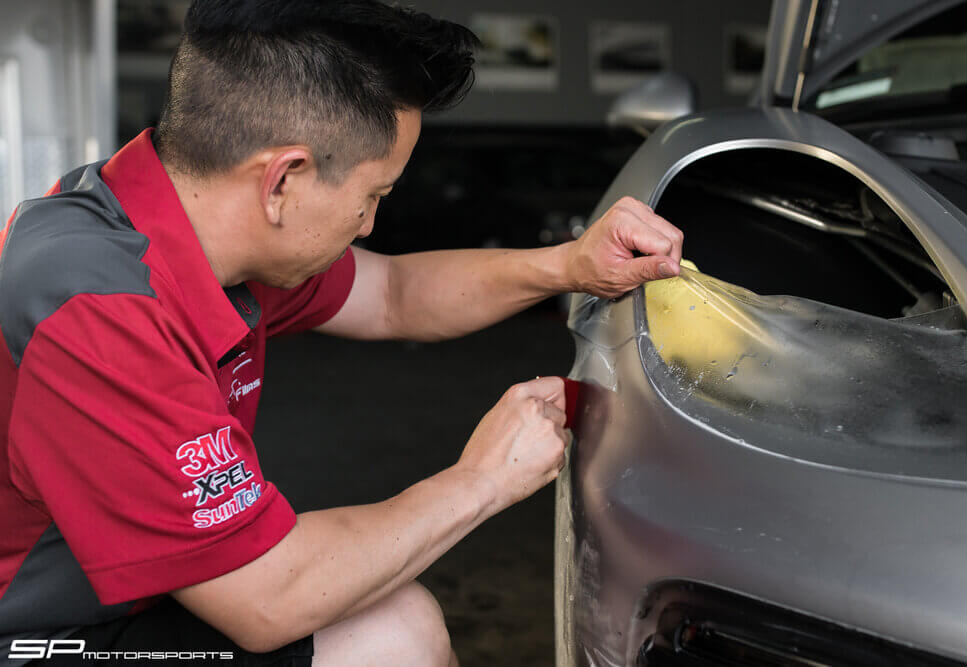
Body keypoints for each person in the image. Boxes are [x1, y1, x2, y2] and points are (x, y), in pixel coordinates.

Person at [0, 1, 683, 665]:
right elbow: (268, 597)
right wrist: (483, 480)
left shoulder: (181, 223)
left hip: (118, 602)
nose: (368, 225)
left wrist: (571, 265)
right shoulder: (96, 305)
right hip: (31, 629)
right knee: (394, 640)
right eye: (374, 196)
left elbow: (393, 294)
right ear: (283, 181)